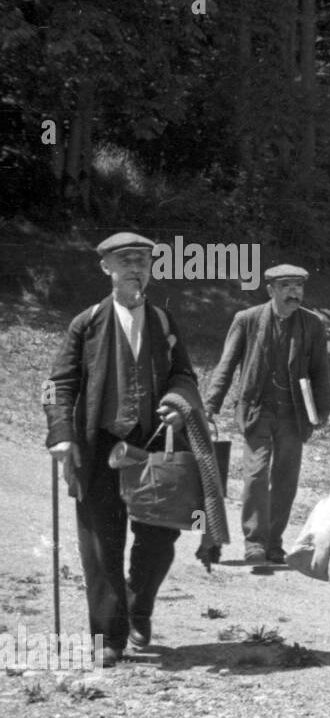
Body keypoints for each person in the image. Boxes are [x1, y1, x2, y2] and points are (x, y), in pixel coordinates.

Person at [43, 232, 197, 667]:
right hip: (99, 445)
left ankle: (139, 608)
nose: (135, 267)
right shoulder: (86, 322)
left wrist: (177, 404)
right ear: (106, 267)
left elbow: (185, 375)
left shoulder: (164, 322)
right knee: (100, 543)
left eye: (143, 260)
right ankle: (109, 635)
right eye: (125, 260)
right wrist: (61, 435)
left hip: (152, 448)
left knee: (159, 537)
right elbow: (58, 385)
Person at [204, 264, 330, 564]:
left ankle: (274, 542)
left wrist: (323, 409)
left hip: (294, 414)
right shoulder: (246, 320)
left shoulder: (312, 325)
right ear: (270, 290)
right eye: (286, 286)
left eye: (298, 287)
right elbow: (226, 365)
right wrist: (210, 406)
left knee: (286, 478)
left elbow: (320, 371)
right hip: (257, 409)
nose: (294, 293)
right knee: (256, 473)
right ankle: (254, 542)